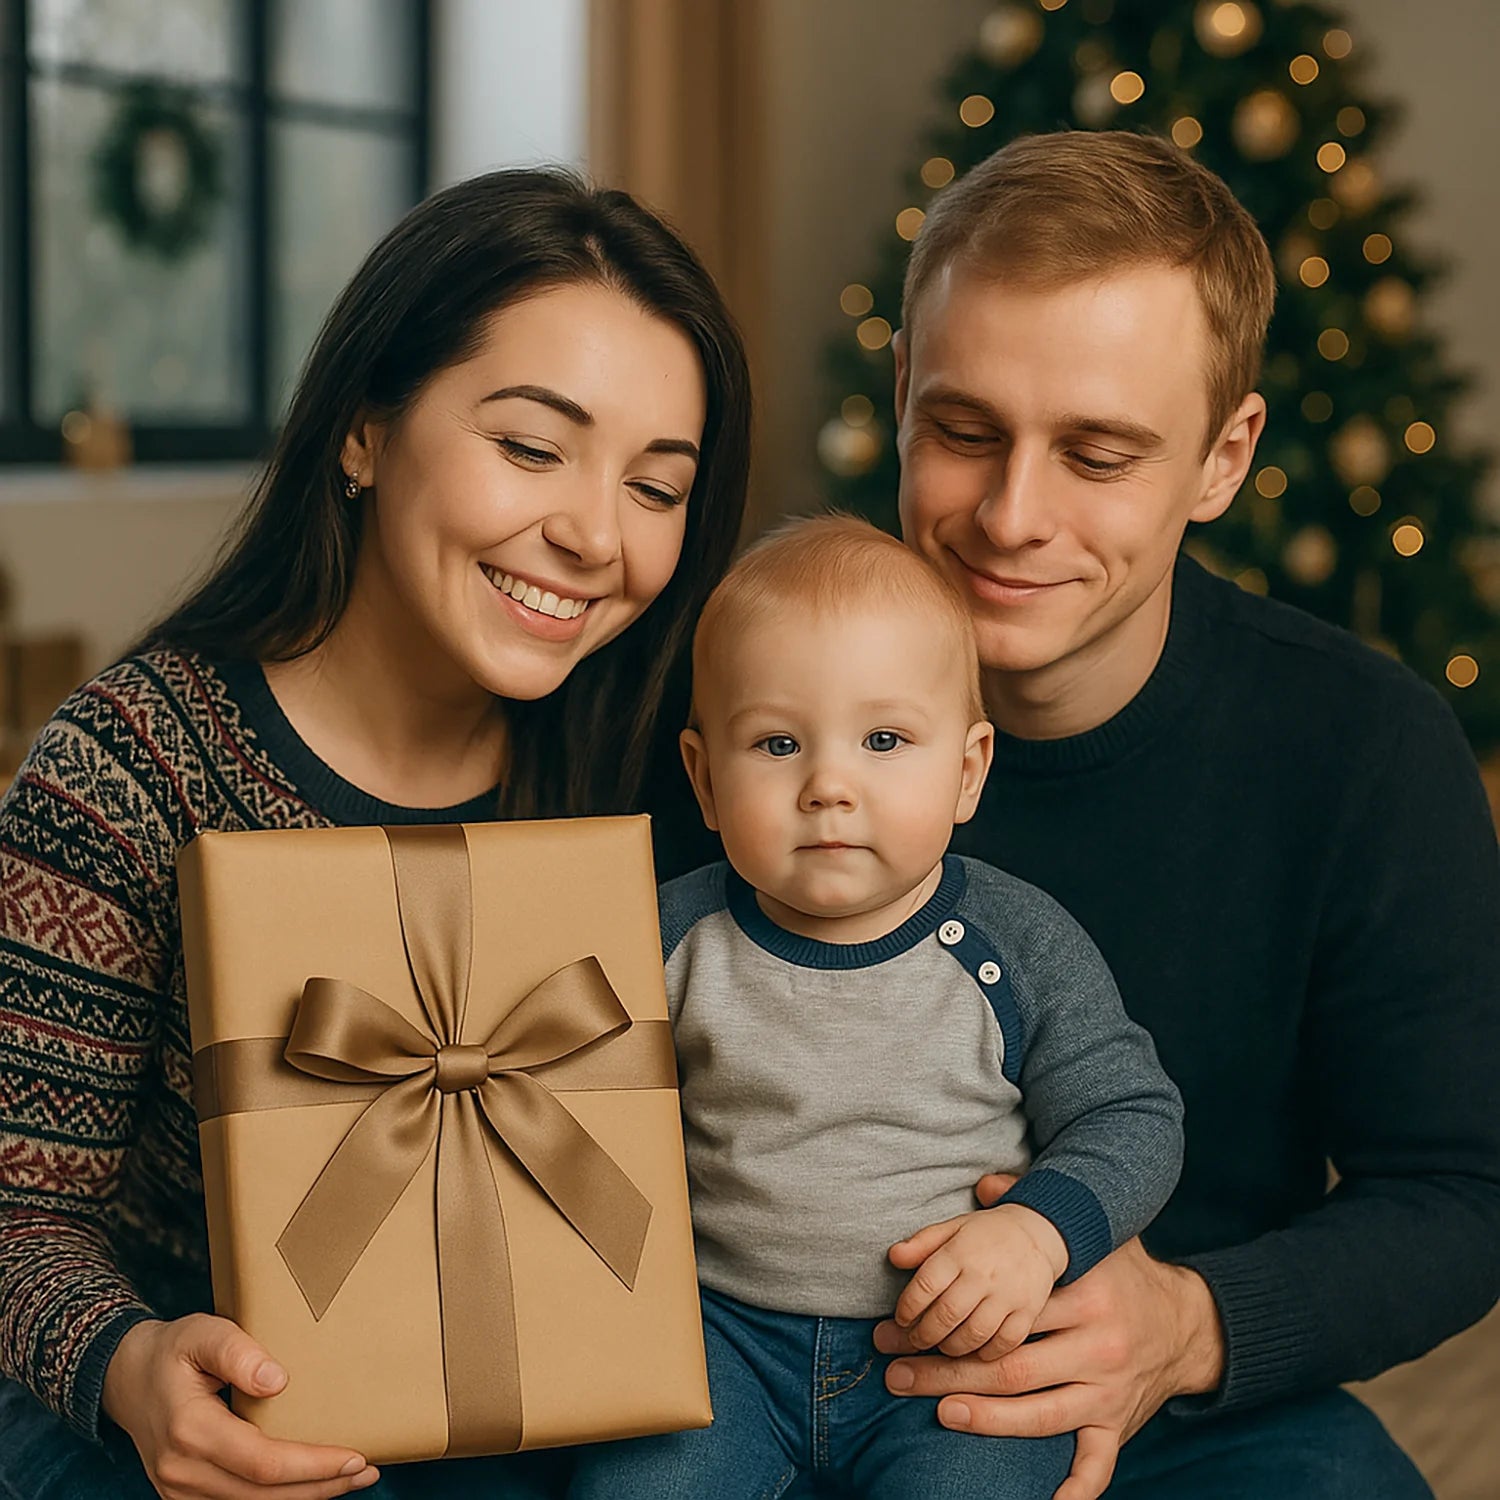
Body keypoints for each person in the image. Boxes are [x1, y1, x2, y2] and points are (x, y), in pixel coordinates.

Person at [0, 168, 751, 1500]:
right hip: (189, 1409)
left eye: (657, 485)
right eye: (531, 447)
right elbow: (16, 1209)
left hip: (543, 1391)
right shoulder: (128, 771)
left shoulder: (670, 774)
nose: (590, 534)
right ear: (362, 431)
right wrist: (127, 1365)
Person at [862, 129, 1500, 1500]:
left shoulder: (1363, 748)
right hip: (785, 1380)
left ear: (1222, 459)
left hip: (1186, 1413)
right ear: (904, 391)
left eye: (1098, 454)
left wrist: (1193, 1327)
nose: (1012, 515)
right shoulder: (730, 696)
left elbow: (1463, 1193)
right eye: (967, 433)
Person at [567, 515, 1185, 1499]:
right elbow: (558, 1100)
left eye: (885, 739)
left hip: (955, 1359)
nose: (830, 787)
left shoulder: (1017, 945)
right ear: (705, 778)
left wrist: (1038, 1232)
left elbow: (1132, 1115)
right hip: (718, 1340)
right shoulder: (666, 940)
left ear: (968, 768)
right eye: (776, 743)